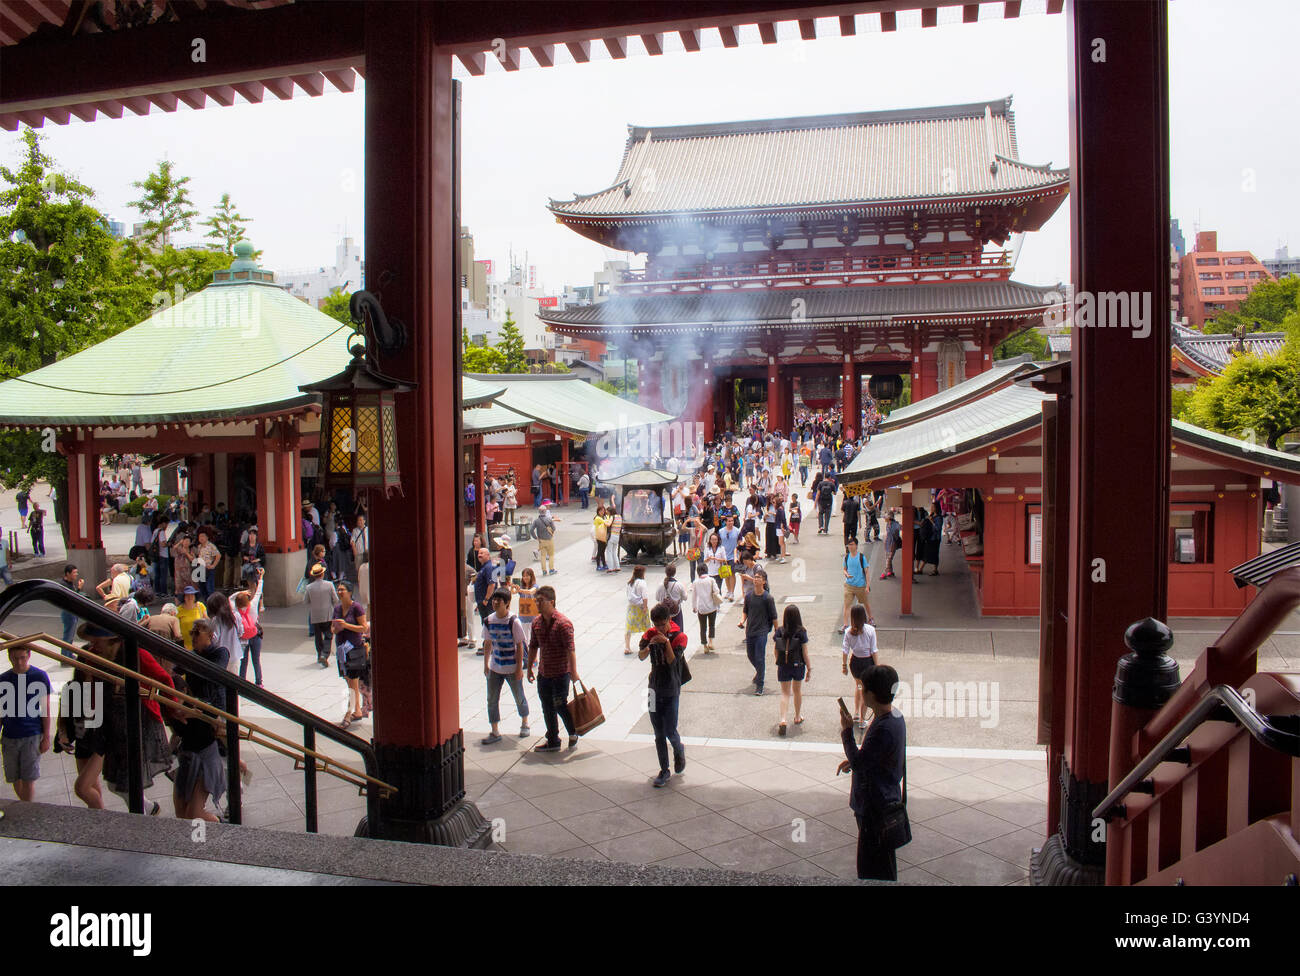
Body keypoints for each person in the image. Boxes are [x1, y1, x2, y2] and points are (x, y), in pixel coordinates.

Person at [57, 621, 174, 815]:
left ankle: (142, 819)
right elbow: (89, 697)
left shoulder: (136, 655)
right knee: (115, 783)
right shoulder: (96, 657)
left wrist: (173, 709)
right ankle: (148, 809)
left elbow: (164, 679)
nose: (93, 646)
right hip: (112, 725)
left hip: (138, 723)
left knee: (126, 783)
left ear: (111, 641)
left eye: (97, 642)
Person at [838, 663, 906, 881]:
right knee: (884, 862)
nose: (861, 692)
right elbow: (879, 757)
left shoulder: (883, 727)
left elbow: (860, 763)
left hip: (874, 807)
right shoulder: (895, 717)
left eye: (863, 688)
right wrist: (859, 760)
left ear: (873, 694)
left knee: (871, 868)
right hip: (886, 799)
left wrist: (847, 732)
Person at [638, 602, 688, 787]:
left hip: (671, 688)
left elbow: (672, 661)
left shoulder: (679, 636)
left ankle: (678, 748)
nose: (658, 628)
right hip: (652, 688)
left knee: (669, 730)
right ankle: (664, 770)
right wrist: (650, 645)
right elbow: (641, 656)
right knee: (658, 733)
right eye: (655, 624)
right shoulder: (650, 634)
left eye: (662, 624)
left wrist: (666, 642)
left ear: (669, 620)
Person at [525, 584, 580, 753]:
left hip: (561, 673)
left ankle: (572, 732)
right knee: (547, 706)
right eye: (536, 601)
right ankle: (553, 739)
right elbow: (533, 646)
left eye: (541, 601)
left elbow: (571, 649)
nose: (538, 604)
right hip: (544, 672)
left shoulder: (563, 623)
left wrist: (574, 671)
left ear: (552, 601)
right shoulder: (536, 623)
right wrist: (529, 668)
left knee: (560, 705)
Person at [1, 644, 51, 801]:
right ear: (9, 657)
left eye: (22, 658)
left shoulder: (39, 676)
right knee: (14, 777)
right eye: (15, 658)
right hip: (9, 734)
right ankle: (24, 805)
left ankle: (26, 808)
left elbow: (46, 709)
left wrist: (46, 737)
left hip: (32, 733)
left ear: (28, 656)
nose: (19, 662)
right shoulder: (3, 679)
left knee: (29, 778)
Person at [481, 589, 529, 744]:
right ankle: (495, 731)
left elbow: (520, 645)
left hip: (512, 666)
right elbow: (487, 643)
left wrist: (519, 669)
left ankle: (525, 722)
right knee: (491, 699)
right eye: (494, 600)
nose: (495, 603)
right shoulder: (488, 620)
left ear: (507, 603)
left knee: (519, 696)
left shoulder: (513, 621)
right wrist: (486, 664)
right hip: (496, 666)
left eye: (499, 601)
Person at [333, 580, 369, 728]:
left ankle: (348, 713)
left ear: (349, 592)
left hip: (354, 650)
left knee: (352, 684)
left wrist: (346, 625)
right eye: (338, 590)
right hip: (342, 650)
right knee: (349, 682)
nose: (340, 592)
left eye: (342, 590)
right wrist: (336, 628)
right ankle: (358, 710)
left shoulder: (357, 608)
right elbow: (333, 629)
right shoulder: (337, 609)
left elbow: (363, 628)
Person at [739, 569, 777, 695]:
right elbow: (745, 611)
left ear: (764, 581)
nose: (756, 579)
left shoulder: (768, 598)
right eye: (755, 577)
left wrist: (777, 632)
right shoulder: (749, 596)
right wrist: (742, 621)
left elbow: (774, 616)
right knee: (751, 655)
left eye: (759, 577)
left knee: (760, 658)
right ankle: (760, 672)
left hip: (762, 631)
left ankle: (760, 684)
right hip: (750, 631)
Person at [773, 605, 810, 735]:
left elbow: (776, 650)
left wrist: (778, 661)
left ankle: (783, 719)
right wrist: (809, 667)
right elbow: (805, 652)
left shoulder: (779, 631)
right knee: (797, 690)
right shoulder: (801, 632)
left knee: (784, 693)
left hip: (784, 664)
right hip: (798, 664)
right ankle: (797, 716)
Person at [841, 604, 879, 728]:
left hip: (855, 663)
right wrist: (877, 666)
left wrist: (844, 665)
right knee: (865, 691)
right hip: (867, 662)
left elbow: (845, 650)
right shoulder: (870, 630)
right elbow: (873, 650)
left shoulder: (848, 631)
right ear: (864, 616)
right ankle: (862, 720)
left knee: (858, 686)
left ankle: (856, 712)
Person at [305, 563, 340, 668]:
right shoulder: (329, 585)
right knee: (328, 635)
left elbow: (305, 601)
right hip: (328, 614)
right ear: (322, 574)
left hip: (315, 615)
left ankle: (320, 654)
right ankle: (325, 654)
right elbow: (336, 599)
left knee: (318, 636)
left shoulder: (309, 587)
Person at [234, 570, 265, 687]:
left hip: (243, 638)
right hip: (255, 636)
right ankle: (259, 682)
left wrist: (239, 593)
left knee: (244, 661)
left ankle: (242, 682)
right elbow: (258, 592)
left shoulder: (236, 610)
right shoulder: (252, 605)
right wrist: (261, 577)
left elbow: (230, 600)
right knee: (256, 660)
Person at [840, 536, 874, 634]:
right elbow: (844, 569)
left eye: (852, 544)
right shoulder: (846, 557)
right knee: (847, 605)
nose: (850, 546)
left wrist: (867, 586)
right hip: (849, 585)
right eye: (848, 545)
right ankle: (846, 624)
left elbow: (867, 572)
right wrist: (846, 574)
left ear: (856, 545)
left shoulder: (861, 557)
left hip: (860, 585)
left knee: (865, 603)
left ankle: (871, 618)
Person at [206, 591, 243, 676]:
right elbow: (241, 632)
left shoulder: (216, 620)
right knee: (234, 684)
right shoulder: (236, 616)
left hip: (221, 657)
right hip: (235, 655)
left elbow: (214, 639)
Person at [689, 563, 723, 652]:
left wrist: (694, 607)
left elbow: (694, 596)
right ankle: (711, 642)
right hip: (712, 607)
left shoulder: (695, 582)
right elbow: (717, 591)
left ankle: (704, 646)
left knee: (702, 627)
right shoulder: (711, 580)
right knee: (712, 625)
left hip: (701, 608)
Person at [471, 547, 497, 656]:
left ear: (488, 555)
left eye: (482, 553)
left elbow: (492, 584)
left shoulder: (489, 567)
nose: (479, 555)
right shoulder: (484, 567)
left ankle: (490, 646)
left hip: (487, 602)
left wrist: (486, 599)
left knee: (489, 624)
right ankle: (487, 644)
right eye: (479, 553)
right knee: (486, 623)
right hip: (483, 601)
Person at [624, 564, 651, 655]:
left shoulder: (630, 583)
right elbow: (645, 597)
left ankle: (627, 646)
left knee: (629, 626)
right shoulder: (642, 583)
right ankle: (648, 644)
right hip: (640, 606)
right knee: (646, 626)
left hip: (631, 607)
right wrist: (645, 607)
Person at [655, 563, 688, 634]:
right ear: (675, 572)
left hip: (663, 613)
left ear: (665, 572)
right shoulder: (679, 585)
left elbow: (657, 598)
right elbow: (685, 597)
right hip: (676, 611)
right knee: (678, 631)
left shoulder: (660, 585)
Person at [531, 502, 560, 576]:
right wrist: (551, 532)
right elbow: (554, 528)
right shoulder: (549, 519)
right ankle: (551, 569)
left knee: (543, 556)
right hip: (549, 539)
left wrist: (535, 537)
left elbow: (531, 530)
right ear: (545, 511)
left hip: (541, 540)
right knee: (551, 555)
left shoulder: (536, 521)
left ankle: (544, 571)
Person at [176, 586, 208, 651]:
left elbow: (207, 621)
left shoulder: (200, 606)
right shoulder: (178, 610)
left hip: (199, 643)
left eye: (192, 595)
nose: (190, 597)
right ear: (184, 597)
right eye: (187, 595)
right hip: (185, 645)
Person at [59, 564, 84, 644]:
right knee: (68, 636)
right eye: (74, 572)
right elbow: (72, 598)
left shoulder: (70, 583)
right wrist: (79, 588)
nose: (76, 574)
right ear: (68, 573)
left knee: (71, 636)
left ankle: (69, 653)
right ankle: (65, 655)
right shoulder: (64, 585)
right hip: (68, 613)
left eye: (76, 572)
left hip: (72, 612)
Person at [194, 527, 220, 599]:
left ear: (207, 537)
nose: (201, 538)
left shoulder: (211, 546)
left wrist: (213, 565)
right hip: (200, 569)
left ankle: (211, 604)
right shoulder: (199, 547)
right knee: (202, 589)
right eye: (200, 536)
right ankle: (206, 603)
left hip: (208, 569)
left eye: (203, 536)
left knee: (209, 588)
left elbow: (218, 555)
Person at [881, 511, 901, 580]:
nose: (884, 518)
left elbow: (900, 528)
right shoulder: (888, 524)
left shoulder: (895, 524)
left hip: (893, 544)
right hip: (888, 543)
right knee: (888, 558)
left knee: (889, 559)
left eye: (885, 517)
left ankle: (885, 572)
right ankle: (890, 571)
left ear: (889, 518)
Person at [592, 504, 612, 572]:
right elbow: (607, 523)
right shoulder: (598, 518)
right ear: (598, 511)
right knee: (600, 551)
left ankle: (604, 564)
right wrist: (609, 519)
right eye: (601, 511)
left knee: (602, 551)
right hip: (600, 536)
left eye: (603, 510)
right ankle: (598, 566)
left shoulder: (604, 517)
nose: (602, 512)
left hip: (604, 536)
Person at [605, 508, 623, 574]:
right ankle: (617, 567)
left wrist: (604, 521)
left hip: (611, 536)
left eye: (607, 512)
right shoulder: (619, 517)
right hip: (617, 536)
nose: (607, 513)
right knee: (614, 552)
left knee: (609, 552)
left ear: (610, 512)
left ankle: (610, 568)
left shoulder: (612, 517)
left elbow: (608, 524)